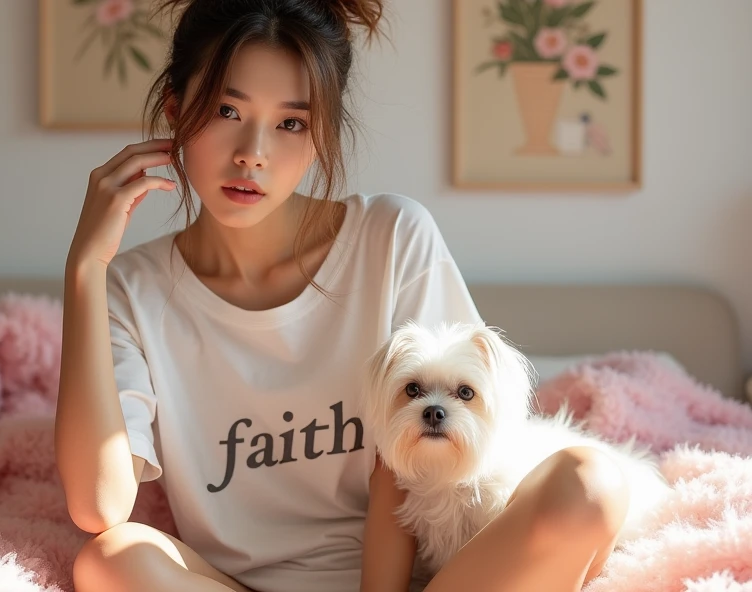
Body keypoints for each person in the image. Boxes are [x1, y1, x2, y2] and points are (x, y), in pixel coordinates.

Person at [54, 1, 633, 591]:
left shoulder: (391, 238)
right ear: (177, 113)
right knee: (111, 558)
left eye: (291, 123)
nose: (253, 152)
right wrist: (84, 269)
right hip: (235, 585)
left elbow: (421, 454)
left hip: (410, 583)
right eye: (228, 110)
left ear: (319, 135)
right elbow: (99, 507)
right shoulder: (130, 289)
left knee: (591, 484)